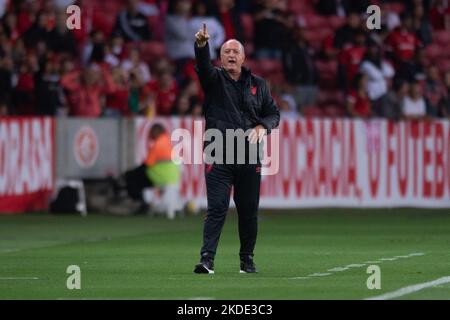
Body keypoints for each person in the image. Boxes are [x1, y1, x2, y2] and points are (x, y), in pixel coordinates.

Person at [193, 23, 280, 274]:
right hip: (218, 153)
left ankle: (247, 260)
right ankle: (207, 259)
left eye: (235, 52)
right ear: (220, 58)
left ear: (243, 57)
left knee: (248, 210)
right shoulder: (213, 79)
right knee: (217, 207)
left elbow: (273, 113)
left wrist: (263, 126)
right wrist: (201, 46)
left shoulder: (259, 84)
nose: (231, 55)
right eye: (226, 52)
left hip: (248, 155)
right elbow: (202, 67)